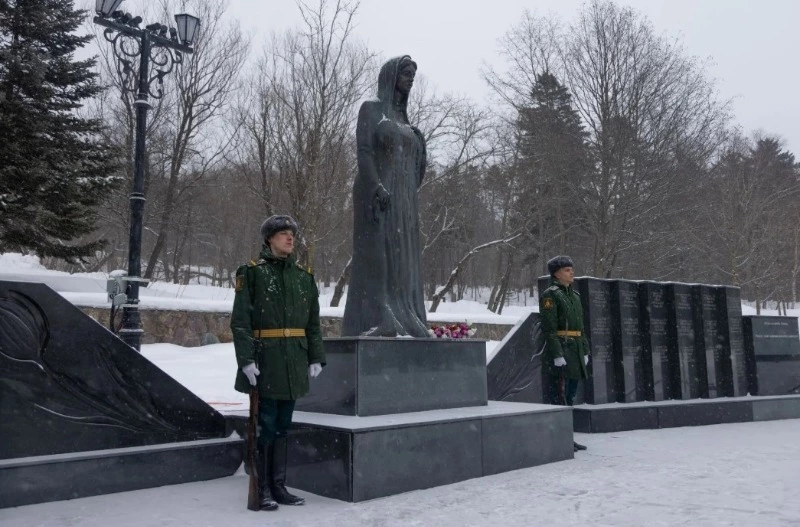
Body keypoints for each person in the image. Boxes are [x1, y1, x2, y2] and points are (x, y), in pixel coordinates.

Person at [230, 215, 325, 511]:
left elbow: (313, 323)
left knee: (283, 426)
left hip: (294, 360)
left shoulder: (304, 277)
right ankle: (262, 489)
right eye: (283, 233)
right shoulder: (253, 273)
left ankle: (279, 486)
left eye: (291, 233)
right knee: (266, 426)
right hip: (266, 360)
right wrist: (246, 359)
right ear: (269, 238)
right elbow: (240, 321)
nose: (290, 238)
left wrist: (315, 356)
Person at [342, 55, 429, 338]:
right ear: (390, 75)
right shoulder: (371, 109)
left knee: (404, 260)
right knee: (379, 257)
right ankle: (380, 316)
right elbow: (364, 152)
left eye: (413, 75)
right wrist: (376, 186)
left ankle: (407, 315)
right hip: (376, 195)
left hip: (404, 202)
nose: (410, 79)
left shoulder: (404, 120)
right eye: (405, 73)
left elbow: (417, 167)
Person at [540, 255, 590, 452]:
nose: (571, 272)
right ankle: (561, 437)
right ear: (556, 274)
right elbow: (549, 327)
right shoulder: (550, 295)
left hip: (575, 350)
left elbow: (580, 327)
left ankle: (569, 436)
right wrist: (557, 353)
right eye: (567, 270)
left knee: (570, 395)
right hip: (563, 348)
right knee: (559, 397)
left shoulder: (574, 296)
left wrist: (585, 350)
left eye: (572, 269)